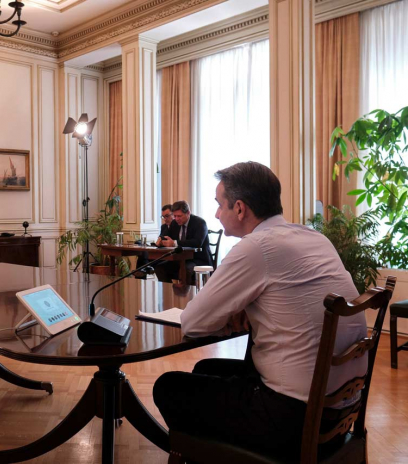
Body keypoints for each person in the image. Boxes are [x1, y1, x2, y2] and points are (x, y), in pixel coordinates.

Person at [152, 162, 366, 456]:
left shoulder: (256, 247)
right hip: (339, 408)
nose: (216, 214)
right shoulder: (314, 237)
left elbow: (193, 323)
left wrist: (231, 314)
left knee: (167, 387)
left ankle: (208, 455)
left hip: (293, 418)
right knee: (205, 370)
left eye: (220, 205)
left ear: (240, 208)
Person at [155, 200, 211, 282]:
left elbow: (197, 243)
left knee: (185, 269)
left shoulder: (199, 223)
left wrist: (175, 243)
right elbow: (166, 236)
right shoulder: (174, 223)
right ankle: (169, 289)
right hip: (180, 259)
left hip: (198, 259)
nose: (176, 219)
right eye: (175, 216)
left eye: (179, 216)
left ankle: (186, 290)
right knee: (159, 268)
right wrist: (161, 240)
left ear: (188, 213)